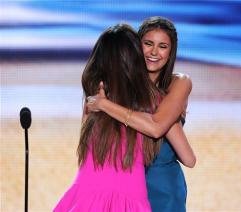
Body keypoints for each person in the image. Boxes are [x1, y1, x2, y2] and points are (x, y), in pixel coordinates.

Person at [86, 16, 196, 212]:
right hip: (124, 186)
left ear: (171, 52)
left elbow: (156, 127)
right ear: (136, 47)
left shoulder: (179, 83)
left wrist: (105, 105)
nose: (154, 52)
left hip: (164, 187)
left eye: (163, 46)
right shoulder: (119, 89)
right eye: (148, 44)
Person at [53, 23, 160, 212]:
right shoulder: (150, 100)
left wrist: (103, 104)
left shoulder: (95, 98)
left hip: (87, 196)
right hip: (125, 197)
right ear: (134, 59)